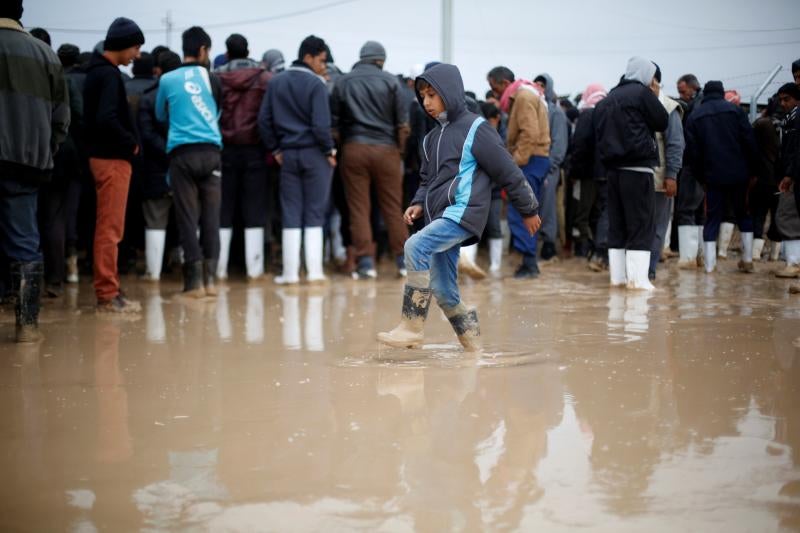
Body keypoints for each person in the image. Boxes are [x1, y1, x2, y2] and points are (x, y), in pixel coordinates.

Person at [377, 64, 540, 351]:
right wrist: (416, 203)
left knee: (415, 246)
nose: (426, 102)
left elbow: (507, 171)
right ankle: (474, 348)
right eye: (423, 96)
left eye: (432, 95)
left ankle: (411, 326)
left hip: (462, 211)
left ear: (450, 93)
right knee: (443, 291)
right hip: (439, 215)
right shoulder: (430, 139)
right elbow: (428, 180)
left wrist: (528, 209)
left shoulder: (476, 128)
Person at [0, 0, 69, 341]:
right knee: (25, 242)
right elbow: (61, 119)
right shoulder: (45, 54)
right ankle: (27, 327)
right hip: (26, 164)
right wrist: (45, 150)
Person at [258, 35, 335, 285]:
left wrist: (276, 149)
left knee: (290, 211)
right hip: (315, 154)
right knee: (314, 212)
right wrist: (329, 151)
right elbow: (321, 125)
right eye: (321, 60)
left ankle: (290, 274)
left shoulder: (276, 82)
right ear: (308, 57)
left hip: (287, 155)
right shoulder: (316, 85)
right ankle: (314, 273)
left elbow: (264, 121)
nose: (323, 65)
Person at [332, 40, 410, 279]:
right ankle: (403, 261)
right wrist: (399, 152)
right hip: (386, 150)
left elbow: (334, 124)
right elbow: (403, 125)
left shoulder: (343, 82)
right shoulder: (391, 81)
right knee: (392, 208)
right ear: (381, 60)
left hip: (354, 148)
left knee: (358, 208)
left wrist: (342, 148)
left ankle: (366, 263)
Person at [155, 26, 223, 298]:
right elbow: (216, 112)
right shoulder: (213, 79)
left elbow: (160, 114)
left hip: (182, 155)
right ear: (203, 50)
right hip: (211, 153)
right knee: (211, 217)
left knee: (186, 216)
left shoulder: (168, 79)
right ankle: (211, 282)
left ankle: (192, 284)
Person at [83, 17, 144, 313]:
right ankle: (108, 295)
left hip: (102, 157)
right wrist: (129, 142)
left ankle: (110, 290)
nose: (138, 55)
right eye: (135, 47)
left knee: (107, 227)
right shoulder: (107, 75)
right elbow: (106, 118)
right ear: (122, 45)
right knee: (110, 230)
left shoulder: (97, 72)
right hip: (111, 159)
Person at [593, 57, 668, 290]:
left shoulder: (608, 98)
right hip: (638, 169)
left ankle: (618, 279)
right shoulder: (641, 94)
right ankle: (638, 281)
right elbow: (662, 121)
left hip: (613, 171)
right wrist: (654, 96)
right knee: (641, 224)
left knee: (618, 225)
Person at [684, 80, 758, 274]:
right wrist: (753, 171)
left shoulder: (695, 116)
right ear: (722, 92)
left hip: (712, 176)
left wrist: (702, 176)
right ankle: (748, 259)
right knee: (743, 214)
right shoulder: (736, 111)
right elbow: (749, 141)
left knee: (712, 217)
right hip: (739, 174)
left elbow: (693, 152)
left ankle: (710, 266)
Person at [215, 33, 272, 281]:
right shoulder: (264, 77)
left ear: (227, 53)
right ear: (248, 51)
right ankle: (255, 271)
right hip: (255, 151)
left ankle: (219, 270)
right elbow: (267, 116)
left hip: (225, 150)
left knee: (224, 209)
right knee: (254, 209)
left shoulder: (216, 77)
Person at [487, 66, 551, 278]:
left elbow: (529, 134)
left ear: (505, 84)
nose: (495, 95)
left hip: (528, 160)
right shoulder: (529, 93)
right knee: (528, 210)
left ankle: (530, 264)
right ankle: (529, 261)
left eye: (494, 88)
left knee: (521, 211)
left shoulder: (522, 97)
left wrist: (513, 165)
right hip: (536, 159)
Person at [138, 51, 182, 282]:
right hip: (186, 164)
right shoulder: (188, 94)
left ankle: (153, 274)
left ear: (157, 71)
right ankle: (189, 271)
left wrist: (166, 148)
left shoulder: (149, 97)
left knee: (155, 219)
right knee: (188, 218)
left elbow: (145, 133)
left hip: (155, 168)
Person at [648, 64, 684, 280]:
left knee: (657, 228)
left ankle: (649, 271)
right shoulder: (641, 104)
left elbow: (675, 145)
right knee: (641, 227)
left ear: (656, 82)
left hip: (660, 179)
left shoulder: (670, 108)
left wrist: (672, 176)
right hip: (639, 178)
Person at [568, 83, 608, 272]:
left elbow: (580, 146)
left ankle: (591, 249)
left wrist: (574, 172)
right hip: (610, 173)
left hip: (589, 174)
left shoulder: (587, 114)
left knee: (583, 215)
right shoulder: (610, 111)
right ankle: (603, 251)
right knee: (601, 213)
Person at [533, 73, 569, 261]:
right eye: (536, 84)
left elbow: (559, 146)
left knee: (548, 208)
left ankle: (549, 246)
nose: (538, 87)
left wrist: (548, 168)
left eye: (542, 84)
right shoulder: (532, 109)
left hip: (549, 169)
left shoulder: (555, 113)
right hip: (532, 167)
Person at [775, 82, 800, 282]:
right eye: (781, 99)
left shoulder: (795, 119)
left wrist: (789, 174)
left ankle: (794, 263)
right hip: (792, 173)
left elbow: (795, 151)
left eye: (787, 99)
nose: (783, 103)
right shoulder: (788, 120)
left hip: (794, 175)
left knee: (787, 216)